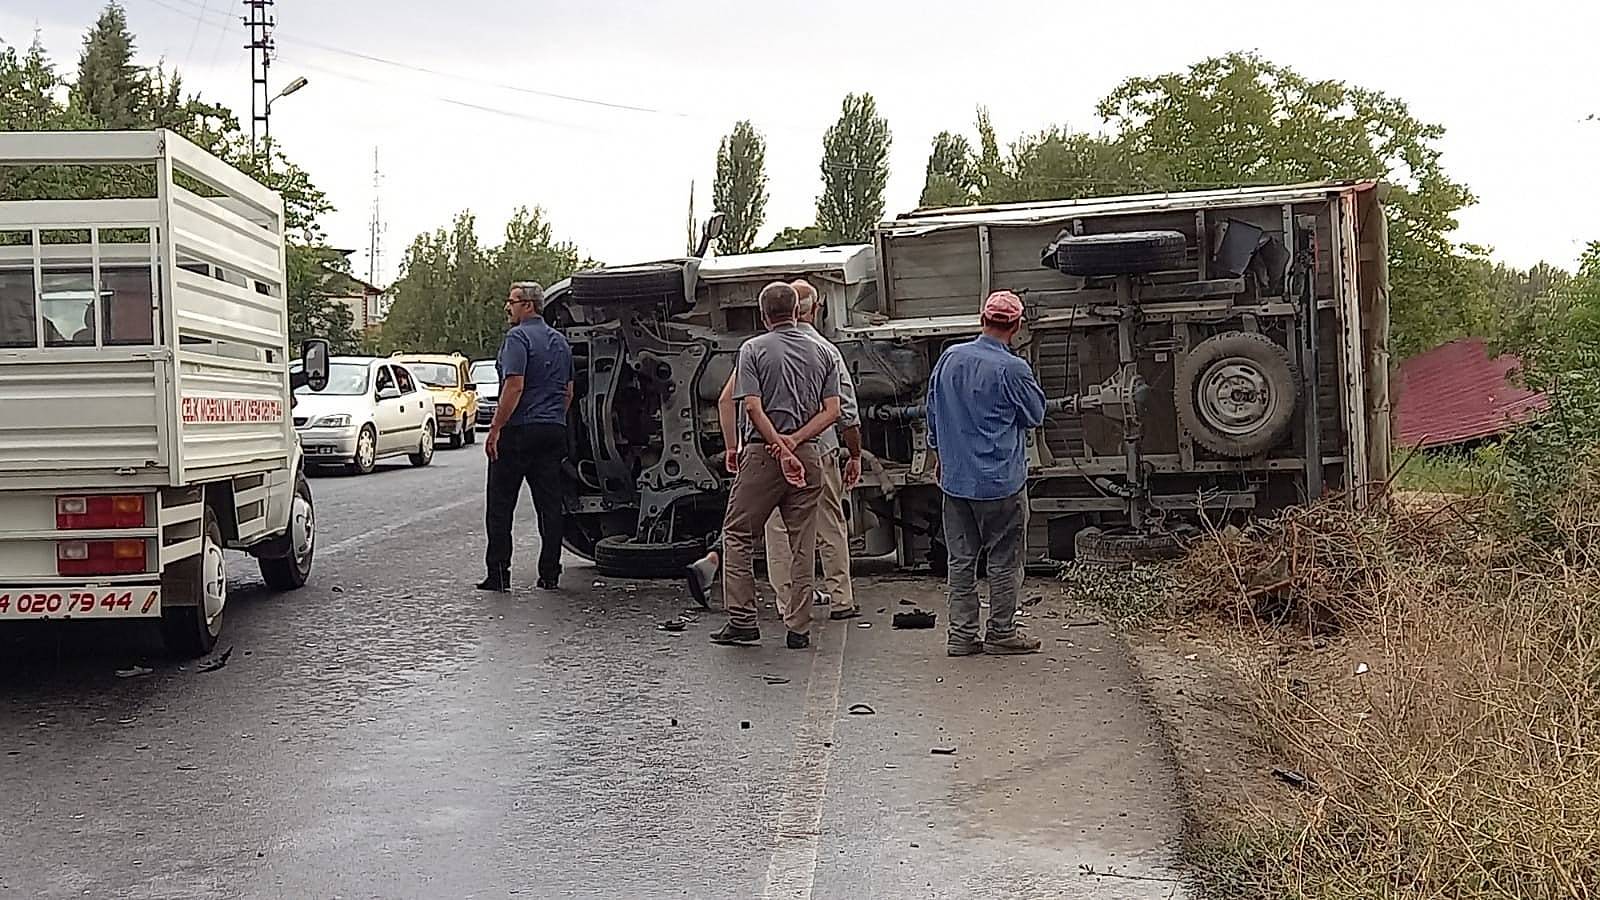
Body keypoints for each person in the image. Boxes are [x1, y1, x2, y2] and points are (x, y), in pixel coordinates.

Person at [711, 281, 841, 650]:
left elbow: (751, 406)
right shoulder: (824, 352)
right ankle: (799, 627)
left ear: (763, 314)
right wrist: (795, 442)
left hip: (762, 455)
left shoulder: (753, 349)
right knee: (803, 541)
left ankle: (742, 619)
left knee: (738, 533)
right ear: (798, 311)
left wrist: (778, 447)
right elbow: (833, 411)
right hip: (810, 454)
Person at [925, 290, 1046, 656]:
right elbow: (1035, 414)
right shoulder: (1013, 368)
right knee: (1004, 559)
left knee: (961, 560)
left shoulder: (950, 357)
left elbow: (932, 411)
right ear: (1017, 326)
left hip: (956, 479)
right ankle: (1001, 632)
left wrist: (938, 454)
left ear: (982, 320)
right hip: (1000, 482)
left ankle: (961, 636)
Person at [743, 280, 863, 620]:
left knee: (779, 532)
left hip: (771, 452)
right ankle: (841, 599)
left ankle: (789, 604)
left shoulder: (756, 350)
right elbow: (845, 410)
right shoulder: (826, 351)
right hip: (819, 449)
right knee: (829, 524)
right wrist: (854, 454)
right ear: (810, 309)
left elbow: (744, 404)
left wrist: (765, 444)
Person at [479, 281, 573, 593]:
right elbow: (568, 392)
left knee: (501, 503)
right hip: (552, 429)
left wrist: (496, 428)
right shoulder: (560, 341)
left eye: (512, 301)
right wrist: (553, 417)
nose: (508, 307)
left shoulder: (517, 337)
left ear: (528, 305)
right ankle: (550, 573)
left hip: (519, 430)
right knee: (549, 505)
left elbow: (514, 385)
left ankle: (498, 574)